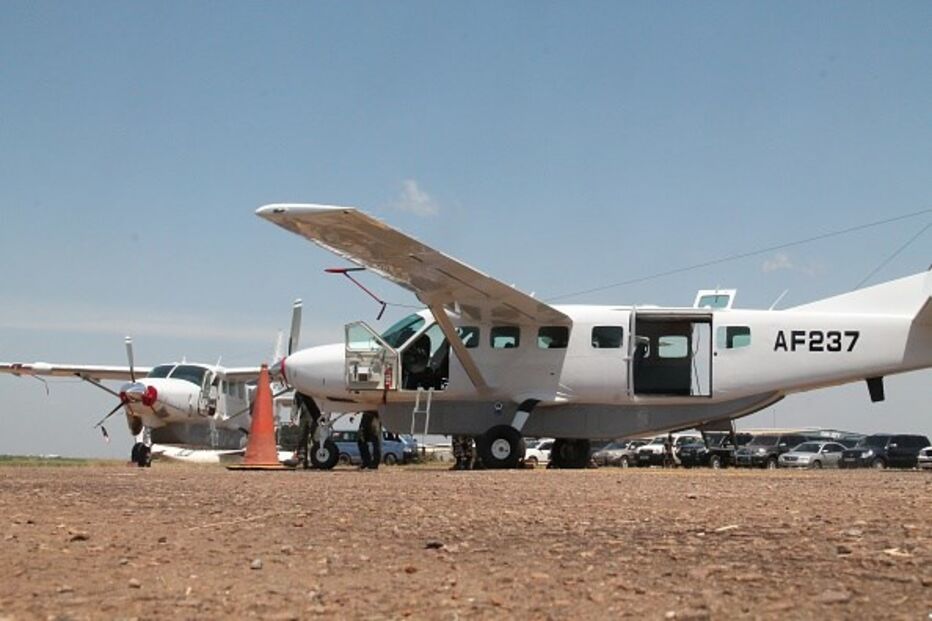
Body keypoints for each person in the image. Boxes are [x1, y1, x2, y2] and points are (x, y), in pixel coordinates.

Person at [283, 393, 320, 468]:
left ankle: (316, 460)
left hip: (316, 417)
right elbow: (296, 403)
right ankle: (302, 459)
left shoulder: (315, 388)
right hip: (305, 417)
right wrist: (293, 415)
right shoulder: (300, 390)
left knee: (316, 439)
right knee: (302, 437)